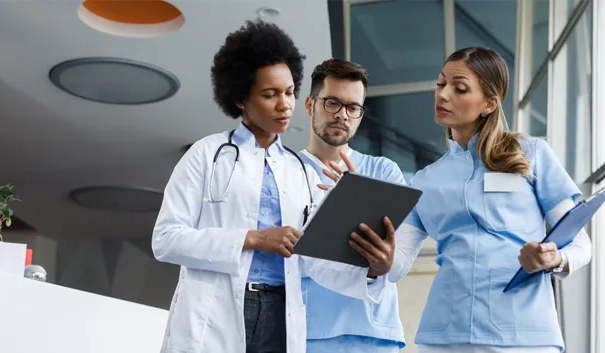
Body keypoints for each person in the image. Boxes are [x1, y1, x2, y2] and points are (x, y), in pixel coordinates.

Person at [151, 20, 391, 353]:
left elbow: (312, 260)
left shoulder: (300, 171)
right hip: (217, 311)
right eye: (270, 94)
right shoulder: (207, 155)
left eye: (290, 92)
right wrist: (253, 238)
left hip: (281, 314)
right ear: (240, 99)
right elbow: (166, 240)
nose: (285, 104)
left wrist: (372, 271)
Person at [355, 46, 592, 353]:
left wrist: (555, 258)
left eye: (460, 88)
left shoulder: (531, 154)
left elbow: (581, 244)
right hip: (445, 336)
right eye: (441, 84)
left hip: (524, 334)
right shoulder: (426, 179)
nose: (443, 95)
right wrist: (379, 261)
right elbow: (397, 265)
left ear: (489, 103)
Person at [297, 58, 406, 353]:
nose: (342, 115)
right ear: (310, 105)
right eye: (332, 103)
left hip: (373, 333)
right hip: (308, 332)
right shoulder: (284, 171)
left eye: (353, 107)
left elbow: (398, 262)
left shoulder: (384, 172)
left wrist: (358, 198)